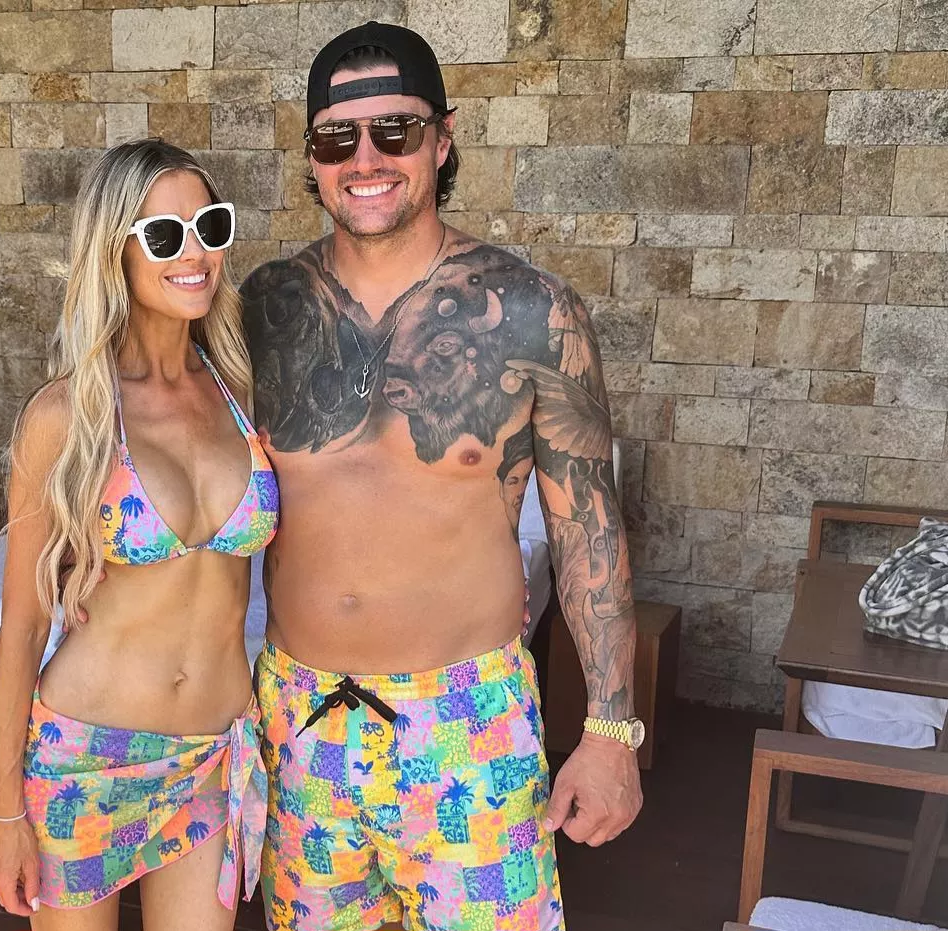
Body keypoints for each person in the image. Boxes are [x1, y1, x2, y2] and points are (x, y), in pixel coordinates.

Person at [238, 22, 644, 930]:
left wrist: (612, 731)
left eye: (396, 129)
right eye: (337, 138)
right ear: (311, 157)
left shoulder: (534, 312)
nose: (366, 158)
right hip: (301, 724)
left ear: (443, 139)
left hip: (468, 728)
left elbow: (588, 528)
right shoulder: (260, 312)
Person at [0, 140, 275, 930]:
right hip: (87, 760)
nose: (195, 253)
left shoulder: (239, 387)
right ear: (114, 249)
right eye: (164, 235)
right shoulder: (65, 415)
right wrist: (5, 812)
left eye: (210, 226)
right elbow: (23, 626)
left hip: (209, 758)